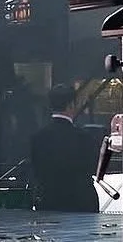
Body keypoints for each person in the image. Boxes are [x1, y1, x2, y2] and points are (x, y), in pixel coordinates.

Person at [30, 84, 99, 213]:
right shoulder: (83, 137)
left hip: (49, 203)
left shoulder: (38, 138)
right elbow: (93, 168)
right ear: (71, 105)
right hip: (81, 204)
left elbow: (36, 171)